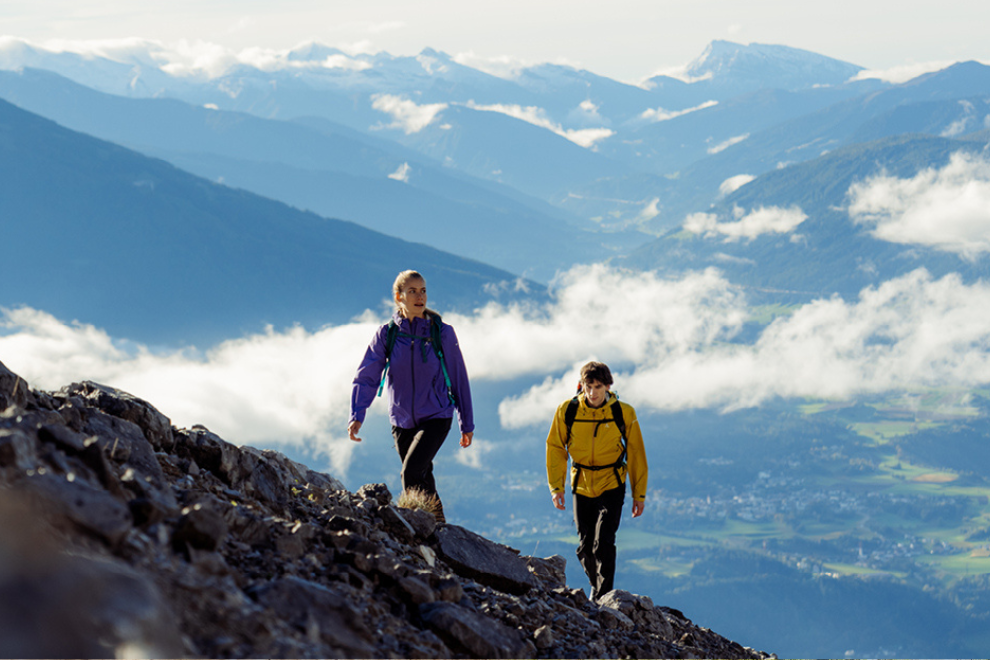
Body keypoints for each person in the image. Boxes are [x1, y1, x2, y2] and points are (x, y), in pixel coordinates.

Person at [348, 270, 474, 524]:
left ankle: (420, 529)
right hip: (401, 420)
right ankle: (439, 531)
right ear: (399, 297)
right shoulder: (388, 334)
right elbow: (367, 375)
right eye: (413, 291)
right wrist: (357, 414)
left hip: (437, 415)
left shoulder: (442, 333)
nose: (420, 296)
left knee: (411, 472)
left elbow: (459, 377)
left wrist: (466, 423)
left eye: (423, 290)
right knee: (423, 476)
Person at [546, 361, 648, 601]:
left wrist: (639, 494)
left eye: (598, 386)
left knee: (604, 543)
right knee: (584, 547)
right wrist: (556, 487)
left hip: (611, 483)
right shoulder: (567, 411)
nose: (592, 393)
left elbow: (636, 453)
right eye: (588, 386)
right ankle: (596, 585)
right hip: (580, 483)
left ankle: (604, 597)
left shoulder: (622, 412)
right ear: (581, 386)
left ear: (608, 386)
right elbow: (555, 448)